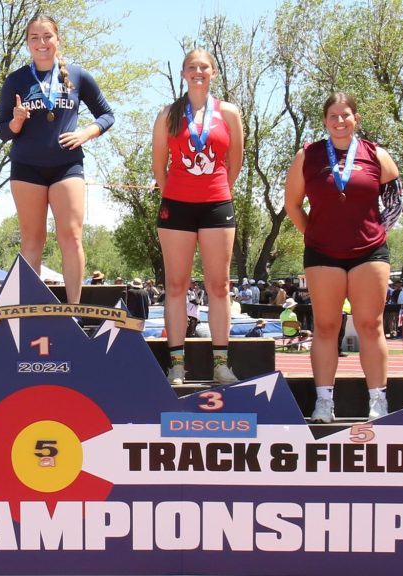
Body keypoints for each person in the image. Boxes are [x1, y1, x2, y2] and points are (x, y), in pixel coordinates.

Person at [284, 92, 403, 423]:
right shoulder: (307, 155)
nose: (340, 121)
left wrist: (378, 232)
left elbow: (395, 200)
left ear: (356, 119)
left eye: (345, 115)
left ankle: (378, 400)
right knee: (326, 326)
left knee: (370, 324)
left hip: (369, 253)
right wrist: (312, 233)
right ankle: (324, 401)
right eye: (333, 116)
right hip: (323, 253)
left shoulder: (375, 154)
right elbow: (293, 204)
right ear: (325, 121)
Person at [0, 13, 114, 304]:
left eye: (47, 36)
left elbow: (107, 114)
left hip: (67, 166)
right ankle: (30, 310)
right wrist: (17, 121)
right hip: (27, 169)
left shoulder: (78, 75)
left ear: (57, 39)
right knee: (32, 241)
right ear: (27, 43)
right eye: (34, 38)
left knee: (71, 237)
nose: (41, 43)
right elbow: (3, 132)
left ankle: (73, 309)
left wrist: (87, 133)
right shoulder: (16, 80)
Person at [152, 48, 245, 385]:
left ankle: (221, 364)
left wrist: (215, 189)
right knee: (176, 286)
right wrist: (178, 192)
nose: (198, 72)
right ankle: (176, 364)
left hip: (217, 203)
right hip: (176, 205)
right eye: (192, 67)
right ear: (183, 73)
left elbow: (235, 160)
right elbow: (158, 165)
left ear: (214, 72)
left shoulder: (229, 113)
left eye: (204, 67)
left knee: (218, 286)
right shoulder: (168, 114)